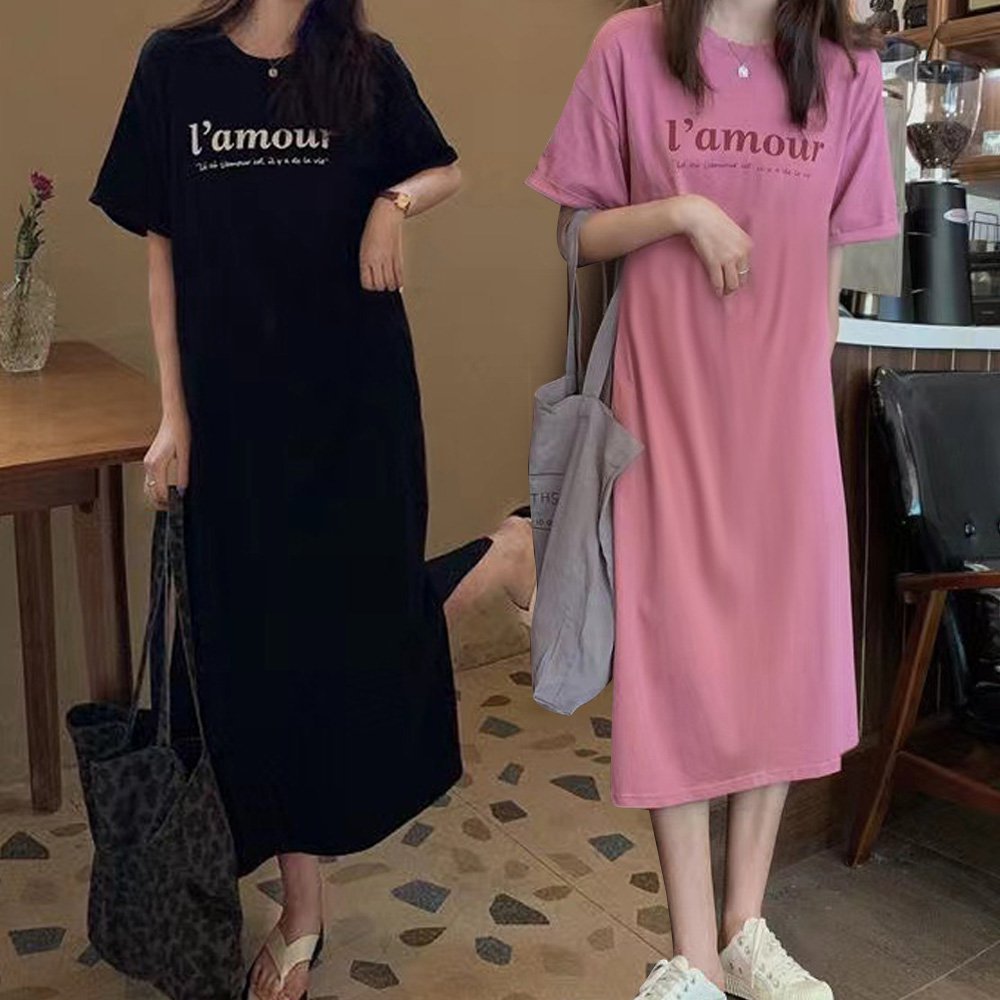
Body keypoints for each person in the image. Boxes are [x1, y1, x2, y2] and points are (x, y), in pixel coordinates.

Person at [90, 1, 466, 998]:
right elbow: (162, 247)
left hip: (354, 410)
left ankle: (303, 911)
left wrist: (395, 203)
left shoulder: (363, 63)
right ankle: (301, 899)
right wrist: (173, 415)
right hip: (235, 423)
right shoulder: (175, 67)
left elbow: (444, 167)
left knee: (359, 632)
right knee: (256, 654)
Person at [528, 1, 896, 998]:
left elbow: (833, 264)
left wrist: (798, 394)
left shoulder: (847, 72)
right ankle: (690, 955)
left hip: (783, 424)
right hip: (666, 414)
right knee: (675, 662)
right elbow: (576, 233)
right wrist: (680, 211)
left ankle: (745, 928)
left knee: (780, 661)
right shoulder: (629, 46)